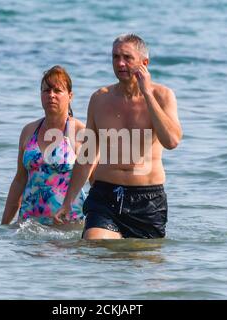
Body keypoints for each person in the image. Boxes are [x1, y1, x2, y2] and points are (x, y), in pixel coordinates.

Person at [54, 34, 183, 239]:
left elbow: (172, 141)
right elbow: (87, 155)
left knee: (141, 263)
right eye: (115, 57)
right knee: (95, 243)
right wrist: (68, 201)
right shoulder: (99, 99)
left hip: (147, 200)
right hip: (105, 196)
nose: (120, 63)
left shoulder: (163, 96)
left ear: (144, 63)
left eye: (127, 57)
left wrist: (147, 93)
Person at [1, 65, 91, 227]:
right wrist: (3, 226)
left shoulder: (80, 132)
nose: (51, 95)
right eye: (46, 91)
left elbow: (96, 181)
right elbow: (19, 180)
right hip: (29, 225)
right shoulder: (29, 131)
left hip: (68, 225)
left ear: (70, 96)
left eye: (57, 91)